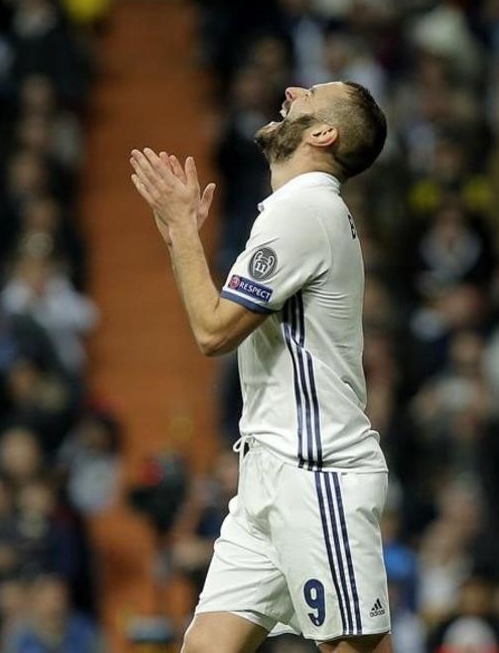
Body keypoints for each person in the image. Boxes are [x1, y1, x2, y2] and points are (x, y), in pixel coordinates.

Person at [128, 81, 391, 653]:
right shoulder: (298, 212)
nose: (294, 89)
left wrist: (179, 230)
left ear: (324, 134)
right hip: (267, 477)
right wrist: (180, 236)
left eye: (312, 92)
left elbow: (213, 330)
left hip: (317, 472)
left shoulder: (304, 212)